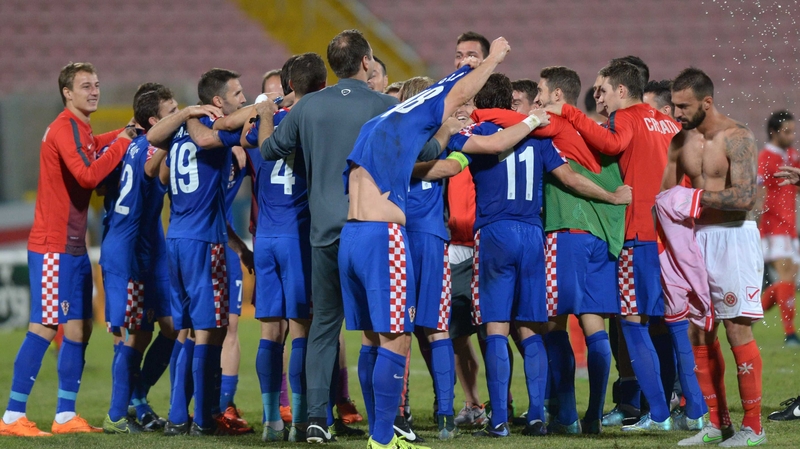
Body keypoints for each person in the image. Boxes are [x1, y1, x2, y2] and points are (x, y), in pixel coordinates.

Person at [340, 36, 544, 449]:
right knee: (398, 338)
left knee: (374, 338)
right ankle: (384, 438)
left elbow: (447, 95)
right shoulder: (416, 121)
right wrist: (494, 58)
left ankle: (385, 433)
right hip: (385, 238)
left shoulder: (380, 124)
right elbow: (457, 93)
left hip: (352, 237)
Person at [260, 29, 400, 444]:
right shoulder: (382, 106)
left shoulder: (307, 108)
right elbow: (423, 153)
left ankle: (317, 420)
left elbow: (270, 150)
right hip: (371, 231)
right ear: (365, 63)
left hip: (323, 233)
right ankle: (385, 422)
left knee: (324, 326)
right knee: (381, 329)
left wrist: (266, 111)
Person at [0, 62, 135, 437]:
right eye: (85, 86)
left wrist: (120, 134)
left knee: (78, 327)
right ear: (67, 93)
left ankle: (64, 416)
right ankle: (12, 417)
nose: (94, 91)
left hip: (75, 249)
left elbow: (92, 147)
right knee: (44, 327)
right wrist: (123, 142)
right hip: (53, 249)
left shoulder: (81, 129)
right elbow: (89, 175)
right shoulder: (64, 128)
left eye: (96, 84)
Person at [545, 60, 681, 432]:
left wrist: (568, 113)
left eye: (602, 91)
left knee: (630, 324)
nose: (599, 99)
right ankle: (690, 407)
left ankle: (656, 413)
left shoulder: (627, 119)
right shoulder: (667, 123)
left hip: (635, 233)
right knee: (671, 326)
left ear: (621, 90)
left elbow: (610, 143)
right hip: (672, 237)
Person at [100, 84, 218, 434]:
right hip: (127, 252)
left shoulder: (145, 145)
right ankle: (117, 415)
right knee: (131, 334)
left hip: (150, 249)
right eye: (171, 111)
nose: (178, 115)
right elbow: (152, 170)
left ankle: (138, 397)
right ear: (155, 121)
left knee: (168, 328)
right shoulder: (146, 148)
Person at [662, 68, 765, 447]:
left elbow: (745, 197)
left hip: (734, 238)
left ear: (707, 102)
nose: (677, 112)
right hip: (696, 240)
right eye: (674, 105)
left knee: (736, 327)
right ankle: (717, 424)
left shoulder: (738, 136)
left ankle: (753, 426)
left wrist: (694, 199)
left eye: (684, 106)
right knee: (698, 331)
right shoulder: (679, 141)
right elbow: (665, 196)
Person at [153, 68, 254, 436]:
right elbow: (225, 132)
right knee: (210, 331)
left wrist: (185, 115)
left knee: (186, 330)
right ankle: (202, 417)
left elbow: (159, 167)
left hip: (175, 238)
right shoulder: (215, 129)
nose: (243, 99)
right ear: (218, 101)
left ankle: (178, 416)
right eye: (238, 93)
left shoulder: (179, 130)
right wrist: (266, 106)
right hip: (203, 242)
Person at [246, 52, 327, 442]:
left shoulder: (261, 126)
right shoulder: (313, 123)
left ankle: (269, 421)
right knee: (300, 331)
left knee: (268, 333)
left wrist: (263, 110)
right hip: (297, 239)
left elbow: (241, 135)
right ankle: (298, 420)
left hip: (264, 238)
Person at [757, 110, 800, 346]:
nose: (792, 136)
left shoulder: (792, 155)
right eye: (787, 131)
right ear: (773, 132)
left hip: (790, 227)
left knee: (787, 282)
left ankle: (751, 314)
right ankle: (790, 333)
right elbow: (760, 191)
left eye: (793, 131)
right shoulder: (766, 157)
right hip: (774, 227)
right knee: (786, 276)